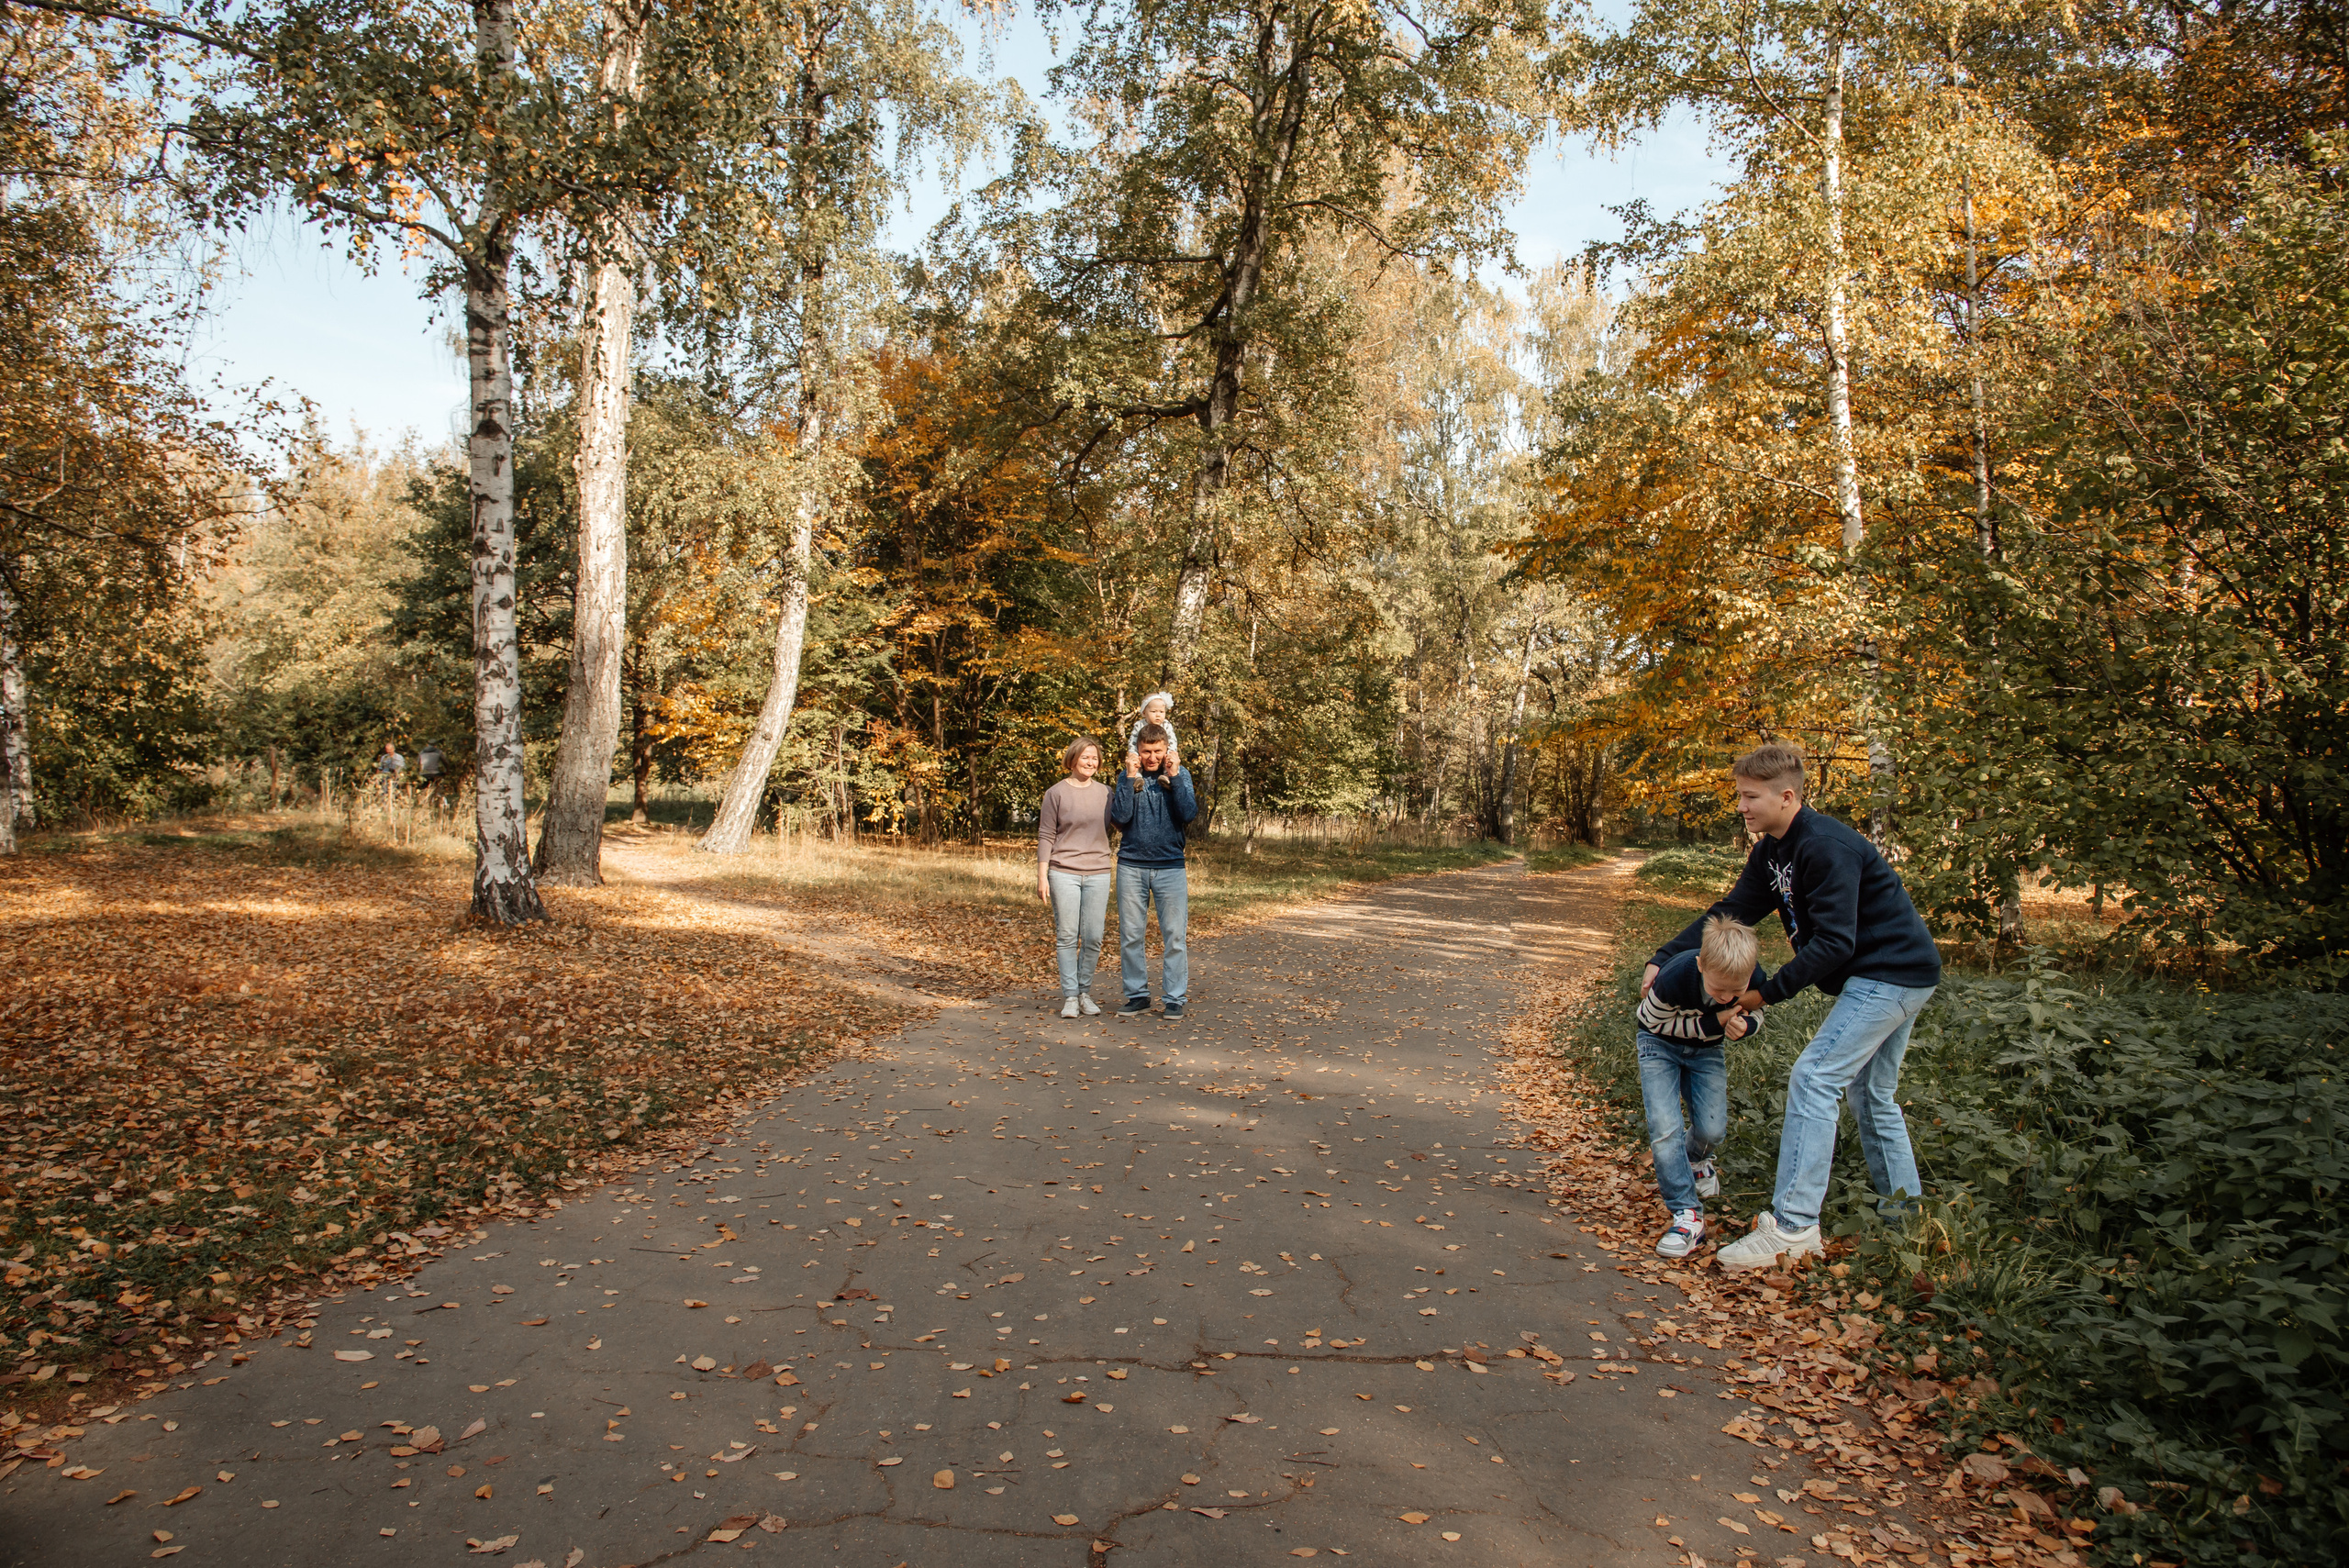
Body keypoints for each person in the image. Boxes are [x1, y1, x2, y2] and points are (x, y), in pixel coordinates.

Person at [1642, 742, 1943, 1273]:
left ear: (1786, 796)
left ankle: (1794, 1227)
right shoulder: (1770, 853)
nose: (1741, 806)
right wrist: (1664, 956)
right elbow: (1731, 911)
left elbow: (1835, 945)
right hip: (1892, 976)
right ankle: (1908, 1224)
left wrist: (1762, 994)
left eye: (1750, 796)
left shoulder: (1825, 846)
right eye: (1739, 795)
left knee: (1815, 1078)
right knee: (1872, 1097)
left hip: (1889, 975)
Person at [1635, 915, 1768, 1260]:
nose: (1726, 997)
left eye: (1734, 991)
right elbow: (1651, 1021)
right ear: (1700, 965)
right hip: (1657, 1045)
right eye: (1717, 989)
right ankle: (1686, 1213)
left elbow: (1756, 1013)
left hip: (1707, 1051)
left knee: (1711, 1130)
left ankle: (1694, 1162)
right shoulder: (1675, 976)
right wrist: (1717, 1021)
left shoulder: (1754, 979)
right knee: (1666, 1128)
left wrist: (1745, 1025)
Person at [1108, 723, 1196, 1018]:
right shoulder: (1127, 776)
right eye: (1146, 751)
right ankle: (1137, 995)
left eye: (1158, 751)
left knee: (1174, 936)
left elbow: (1188, 813)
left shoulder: (1179, 775)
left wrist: (1174, 776)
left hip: (1170, 866)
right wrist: (1130, 778)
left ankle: (1174, 998)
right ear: (1138, 750)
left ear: (1167, 749)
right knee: (1131, 935)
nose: (1152, 757)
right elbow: (1119, 817)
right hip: (1132, 865)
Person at [1037, 737, 1115, 1019]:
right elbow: (1046, 834)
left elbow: (1123, 822)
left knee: (1094, 936)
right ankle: (1070, 996)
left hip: (1098, 872)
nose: (1090, 762)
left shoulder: (1106, 793)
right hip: (1063, 871)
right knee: (1068, 935)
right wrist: (1042, 875)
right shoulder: (1055, 793)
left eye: (1094, 758)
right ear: (1072, 759)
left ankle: (1085, 992)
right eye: (1085, 757)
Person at [1124, 692, 1180, 770]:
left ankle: (1167, 775)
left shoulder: (1166, 725)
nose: (1158, 715)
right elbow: (1133, 741)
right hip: (1142, 757)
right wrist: (1133, 753)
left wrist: (1171, 752)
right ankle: (1137, 777)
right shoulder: (1139, 725)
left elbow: (1172, 740)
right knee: (1136, 761)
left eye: (1161, 712)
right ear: (1144, 713)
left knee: (1169, 761)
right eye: (1154, 711)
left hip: (1164, 756)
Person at [373, 740, 406, 807]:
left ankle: (395, 806)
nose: (389, 751)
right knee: (384, 792)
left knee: (394, 792)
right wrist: (376, 777)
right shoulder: (384, 757)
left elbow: (402, 768)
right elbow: (380, 768)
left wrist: (399, 776)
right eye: (387, 750)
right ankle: (385, 806)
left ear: (393, 749)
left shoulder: (399, 758)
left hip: (395, 777)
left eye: (390, 750)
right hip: (385, 777)